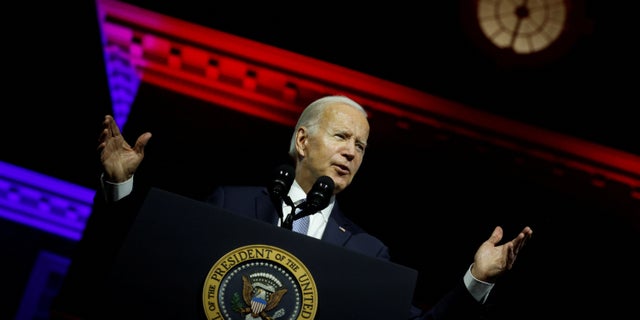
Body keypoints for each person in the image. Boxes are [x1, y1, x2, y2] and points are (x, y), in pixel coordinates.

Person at [51, 95, 533, 319]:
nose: (351, 151)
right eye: (342, 136)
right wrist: (120, 188)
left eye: (361, 147)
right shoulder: (230, 203)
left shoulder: (368, 253)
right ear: (303, 140)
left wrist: (476, 280)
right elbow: (145, 263)